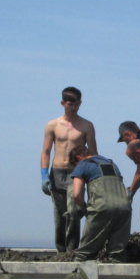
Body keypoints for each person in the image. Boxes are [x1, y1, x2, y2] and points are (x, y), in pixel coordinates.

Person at [40, 87, 97, 253]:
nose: (74, 107)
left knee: (73, 212)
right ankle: (61, 250)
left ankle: (72, 250)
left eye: (77, 104)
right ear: (63, 103)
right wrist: (44, 175)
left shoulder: (86, 125)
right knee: (59, 214)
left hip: (76, 173)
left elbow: (92, 153)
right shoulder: (52, 125)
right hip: (57, 172)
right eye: (70, 104)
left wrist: (93, 176)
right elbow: (45, 151)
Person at [70, 145, 132, 262]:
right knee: (117, 254)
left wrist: (84, 208)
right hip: (124, 208)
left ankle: (77, 276)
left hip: (101, 207)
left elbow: (77, 194)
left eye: (74, 165)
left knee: (85, 253)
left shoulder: (83, 164)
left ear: (78, 157)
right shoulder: (112, 164)